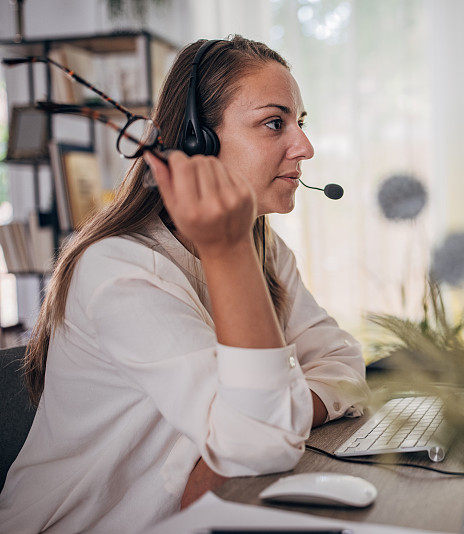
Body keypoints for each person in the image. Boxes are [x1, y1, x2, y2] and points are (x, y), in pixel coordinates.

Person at [0, 36, 368, 533]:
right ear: (198, 141)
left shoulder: (265, 247)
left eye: (299, 124)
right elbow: (261, 441)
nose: (305, 147)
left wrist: (267, 423)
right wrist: (228, 250)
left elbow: (342, 362)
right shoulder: (120, 269)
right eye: (274, 123)